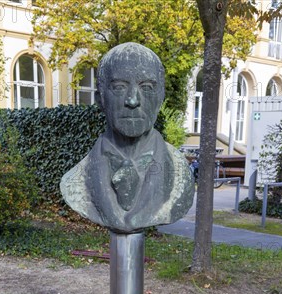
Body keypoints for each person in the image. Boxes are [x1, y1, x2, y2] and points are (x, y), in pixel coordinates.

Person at [60, 42, 194, 233]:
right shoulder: (74, 181)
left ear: (161, 97)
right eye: (119, 87)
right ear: (100, 99)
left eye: (147, 87)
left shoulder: (180, 174)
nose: (132, 100)